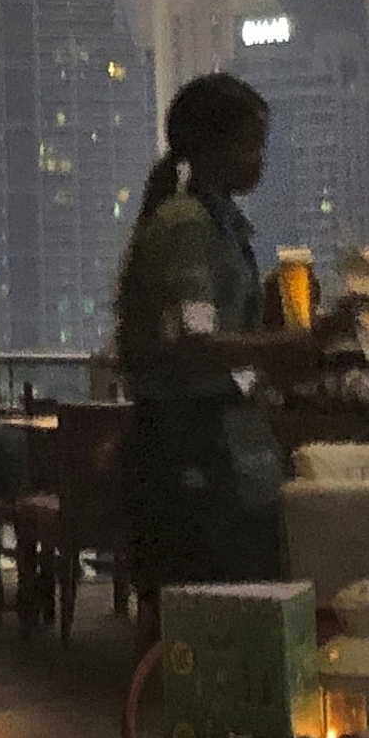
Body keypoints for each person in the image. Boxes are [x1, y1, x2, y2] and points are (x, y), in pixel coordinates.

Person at [110, 73, 337, 590]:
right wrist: (296, 342)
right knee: (214, 598)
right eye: (251, 143)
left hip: (211, 443)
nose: (260, 159)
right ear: (213, 147)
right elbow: (194, 347)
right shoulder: (187, 225)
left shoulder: (219, 225)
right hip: (187, 447)